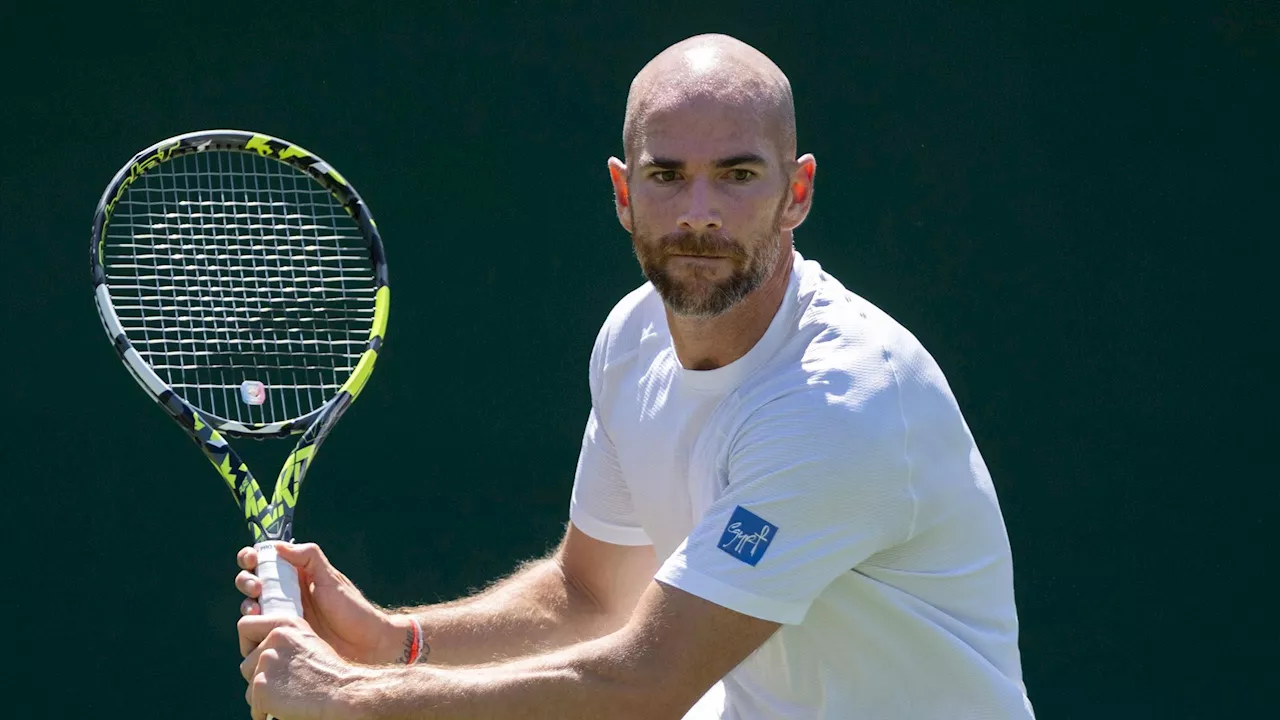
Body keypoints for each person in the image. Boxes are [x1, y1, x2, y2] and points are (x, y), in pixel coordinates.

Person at [235, 33, 1036, 720]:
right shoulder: (632, 339)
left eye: (737, 175)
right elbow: (590, 599)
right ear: (624, 193)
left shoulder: (843, 401)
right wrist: (395, 645)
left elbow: (644, 683)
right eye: (666, 176)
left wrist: (349, 697)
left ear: (797, 193)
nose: (698, 212)